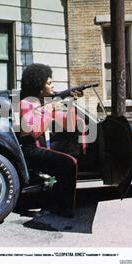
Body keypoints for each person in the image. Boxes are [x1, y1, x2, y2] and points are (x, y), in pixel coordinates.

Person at [18, 63, 82, 218]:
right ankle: (61, 207)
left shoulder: (43, 103)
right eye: (49, 83)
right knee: (69, 163)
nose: (52, 86)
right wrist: (51, 108)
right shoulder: (26, 104)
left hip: (42, 145)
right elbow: (34, 131)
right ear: (39, 86)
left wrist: (69, 103)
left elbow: (68, 124)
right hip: (31, 149)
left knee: (72, 153)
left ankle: (54, 201)